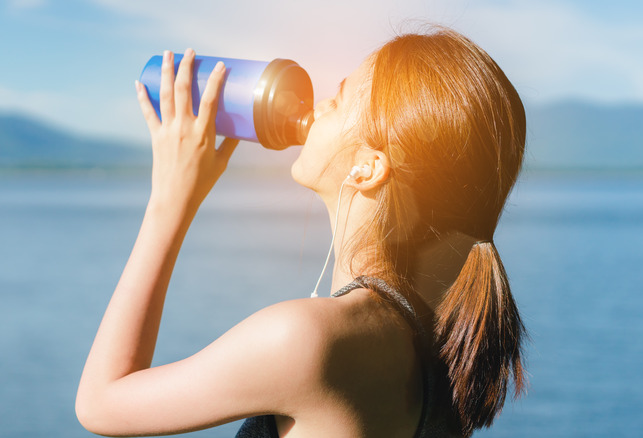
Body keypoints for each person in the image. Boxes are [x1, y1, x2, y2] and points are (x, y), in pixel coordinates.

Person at [76, 25, 526, 438]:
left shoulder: (306, 341)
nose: (323, 103)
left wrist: (170, 200)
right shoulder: (436, 362)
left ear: (368, 167)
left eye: (341, 97)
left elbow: (100, 402)